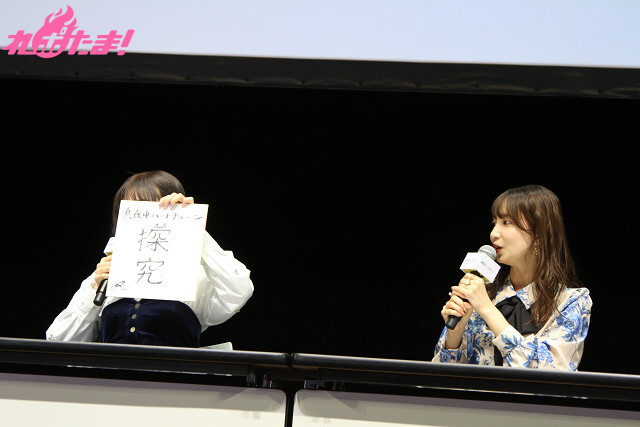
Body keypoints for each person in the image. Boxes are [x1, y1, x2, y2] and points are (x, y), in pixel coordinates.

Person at [46, 170, 254, 347]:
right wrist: (93, 291)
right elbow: (60, 342)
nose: (141, 219)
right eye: (132, 211)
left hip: (174, 380)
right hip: (112, 379)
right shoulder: (106, 274)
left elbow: (238, 290)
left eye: (148, 208)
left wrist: (194, 227)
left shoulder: (193, 276)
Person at [433, 185, 592, 370]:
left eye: (506, 222)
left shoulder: (570, 302)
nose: (493, 234)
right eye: (494, 223)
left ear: (539, 232)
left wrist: (487, 309)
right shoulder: (481, 294)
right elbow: (439, 379)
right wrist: (455, 335)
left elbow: (549, 373)